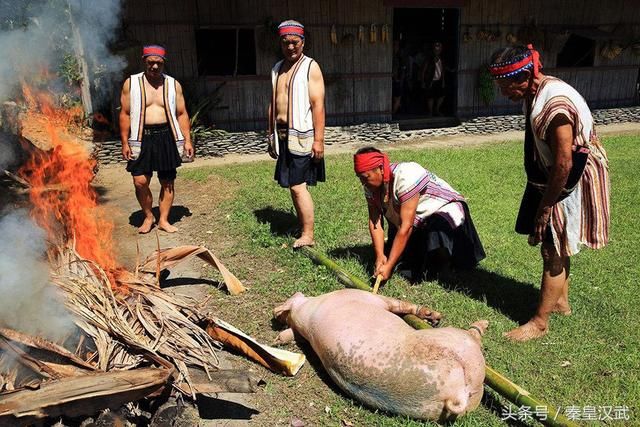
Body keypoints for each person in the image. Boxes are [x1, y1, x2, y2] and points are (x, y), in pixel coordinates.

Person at [490, 45, 610, 341]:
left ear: (527, 75)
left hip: (569, 177)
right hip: (555, 173)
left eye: (508, 87)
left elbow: (564, 163)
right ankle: (560, 303)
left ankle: (539, 323)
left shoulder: (555, 106)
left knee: (551, 246)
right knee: (558, 239)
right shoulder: (534, 92)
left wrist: (546, 206)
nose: (504, 93)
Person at [354, 147, 485, 283]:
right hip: (417, 220)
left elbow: (406, 226)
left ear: (381, 169)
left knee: (436, 235)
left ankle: (446, 266)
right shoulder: (371, 187)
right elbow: (375, 221)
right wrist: (380, 256)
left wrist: (389, 265)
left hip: (442, 210)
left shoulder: (406, 175)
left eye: (365, 177)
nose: (363, 183)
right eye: (360, 178)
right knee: (399, 256)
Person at [119, 45, 194, 234]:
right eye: (150, 62)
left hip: (166, 136)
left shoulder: (172, 84)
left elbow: (182, 113)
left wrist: (187, 140)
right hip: (140, 137)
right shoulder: (132, 83)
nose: (154, 67)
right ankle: (148, 216)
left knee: (167, 181)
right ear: (144, 61)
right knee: (139, 181)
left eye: (158, 63)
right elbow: (125, 113)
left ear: (164, 64)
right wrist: (124, 141)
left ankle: (163, 220)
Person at [267, 20, 325, 248]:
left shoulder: (311, 67)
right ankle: (302, 225)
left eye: (295, 42)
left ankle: (308, 234)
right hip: (282, 135)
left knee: (298, 185)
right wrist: (269, 132)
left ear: (303, 42)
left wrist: (319, 140)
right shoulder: (277, 68)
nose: (291, 47)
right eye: (286, 43)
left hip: (303, 136)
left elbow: (318, 104)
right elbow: (273, 102)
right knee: (292, 184)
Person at [421, 41, 448, 116]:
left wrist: (443, 81)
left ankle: (437, 110)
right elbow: (423, 71)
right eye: (436, 49)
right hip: (430, 81)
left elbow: (443, 71)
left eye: (438, 49)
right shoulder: (429, 59)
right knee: (430, 97)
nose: (437, 51)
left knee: (441, 95)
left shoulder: (442, 59)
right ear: (433, 50)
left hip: (439, 81)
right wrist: (423, 82)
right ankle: (430, 112)